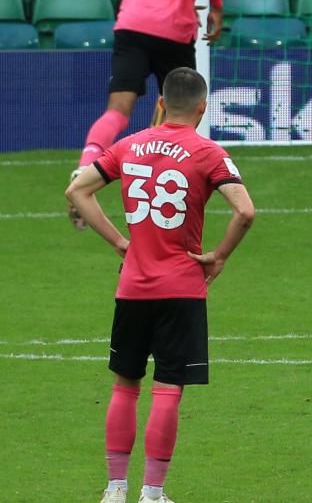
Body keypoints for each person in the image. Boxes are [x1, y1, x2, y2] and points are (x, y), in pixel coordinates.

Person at [63, 67, 256, 503]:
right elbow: (245, 211)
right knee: (168, 388)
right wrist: (220, 255)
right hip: (182, 288)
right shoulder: (207, 151)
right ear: (203, 107)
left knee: (124, 385)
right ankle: (152, 493)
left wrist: (118, 242)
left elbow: (77, 191)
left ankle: (115, 489)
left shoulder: (128, 146)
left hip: (132, 287)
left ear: (162, 103)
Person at [72, 0, 224, 226]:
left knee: (117, 109)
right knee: (183, 111)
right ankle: (165, 185)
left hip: (132, 23)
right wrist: (215, 5)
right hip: (173, 28)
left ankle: (83, 170)